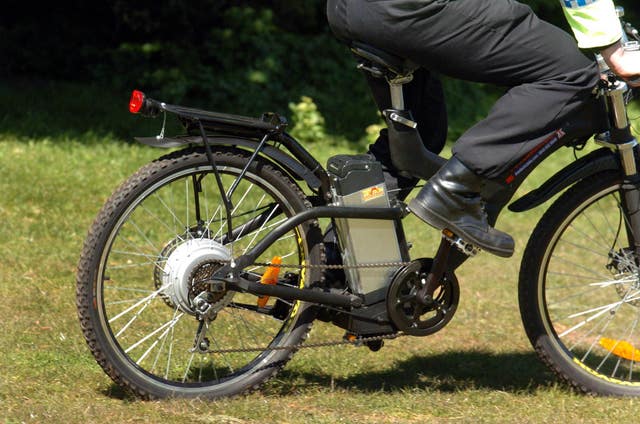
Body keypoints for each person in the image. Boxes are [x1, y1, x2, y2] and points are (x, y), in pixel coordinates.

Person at [326, 0, 640, 258]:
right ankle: (455, 190)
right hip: (408, 9)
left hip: (350, 9)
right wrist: (614, 49)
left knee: (419, 137)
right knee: (570, 72)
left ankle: (332, 261)